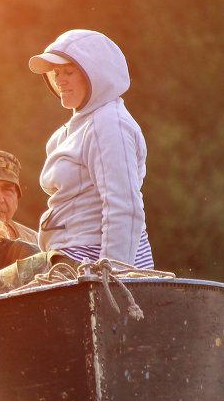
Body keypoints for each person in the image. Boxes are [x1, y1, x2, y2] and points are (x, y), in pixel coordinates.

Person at [27, 29, 154, 268]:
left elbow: (123, 205)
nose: (59, 80)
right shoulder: (67, 132)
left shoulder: (109, 124)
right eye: (56, 73)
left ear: (95, 73)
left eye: (69, 71)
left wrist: (114, 275)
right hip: (65, 257)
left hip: (91, 263)